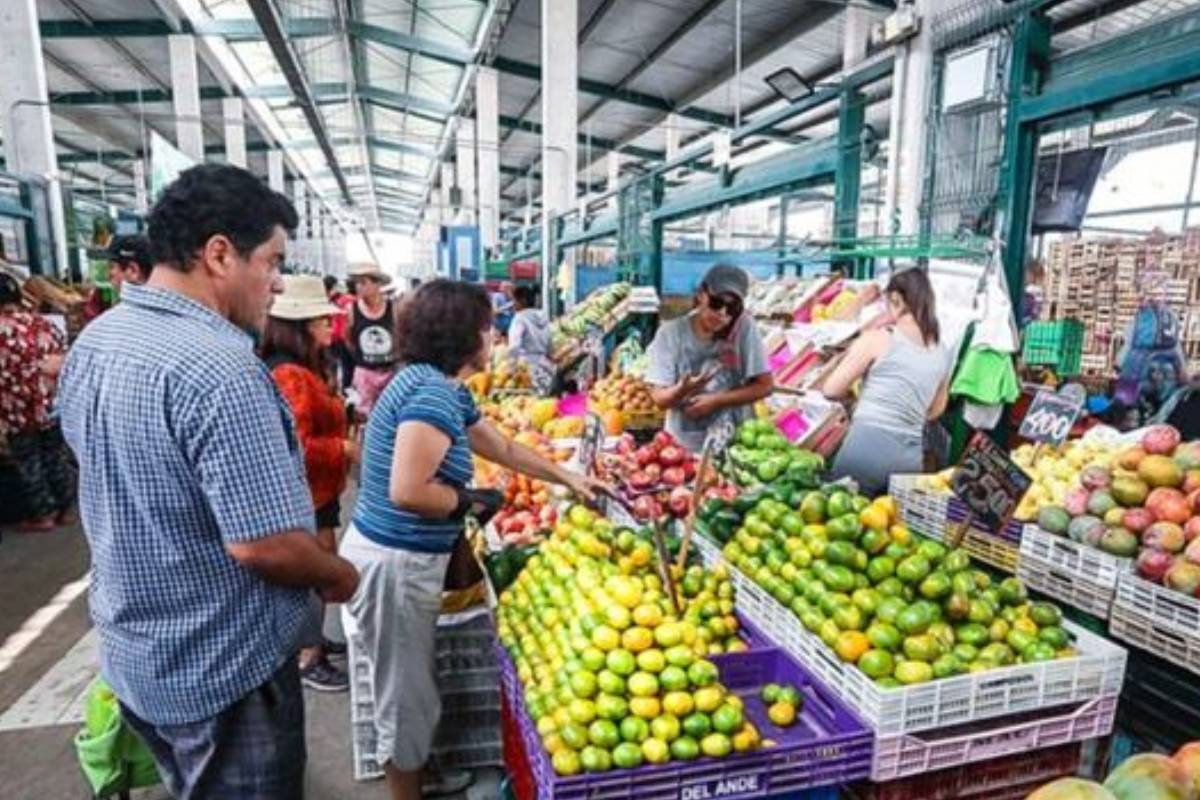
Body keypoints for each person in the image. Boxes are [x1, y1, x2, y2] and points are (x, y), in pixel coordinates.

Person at [57, 163, 360, 798]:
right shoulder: (222, 369)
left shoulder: (97, 341)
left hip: (137, 654)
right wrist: (338, 574)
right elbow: (263, 544)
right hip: (224, 668)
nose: (276, 283)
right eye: (272, 262)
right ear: (220, 254)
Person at [341, 279, 605, 800]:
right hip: (395, 562)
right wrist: (468, 501)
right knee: (405, 698)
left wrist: (568, 477)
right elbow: (408, 490)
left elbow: (500, 446)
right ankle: (406, 791)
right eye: (488, 328)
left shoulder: (436, 386)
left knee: (412, 685)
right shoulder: (431, 394)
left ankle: (421, 773)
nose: (495, 337)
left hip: (398, 556)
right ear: (464, 335)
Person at [261, 275, 358, 693]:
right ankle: (308, 657)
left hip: (318, 490)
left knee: (321, 563)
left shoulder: (306, 367)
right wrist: (342, 448)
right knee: (315, 569)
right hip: (305, 493)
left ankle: (314, 640)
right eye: (321, 321)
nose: (329, 326)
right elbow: (296, 445)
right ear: (300, 326)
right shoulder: (290, 375)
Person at [822, 267, 950, 496]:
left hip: (866, 449)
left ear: (896, 299)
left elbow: (831, 389)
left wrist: (854, 400)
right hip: (909, 459)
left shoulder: (878, 339)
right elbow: (936, 410)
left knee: (843, 513)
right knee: (889, 518)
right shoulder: (941, 351)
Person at [645, 264, 774, 452]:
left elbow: (765, 385)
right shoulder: (671, 334)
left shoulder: (744, 327)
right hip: (684, 452)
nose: (722, 313)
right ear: (701, 295)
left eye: (732, 308)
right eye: (716, 303)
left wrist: (717, 400)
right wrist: (682, 389)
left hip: (738, 448)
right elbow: (659, 398)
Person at [0, 272, 72, 531]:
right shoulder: (44, 324)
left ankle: (45, 514)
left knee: (29, 461)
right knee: (55, 455)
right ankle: (65, 510)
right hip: (51, 403)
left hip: (17, 408)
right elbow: (63, 357)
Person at [345, 261, 399, 416]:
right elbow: (348, 339)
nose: (358, 287)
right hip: (365, 372)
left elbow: (400, 335)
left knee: (390, 413)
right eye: (357, 283)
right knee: (363, 414)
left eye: (363, 282)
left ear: (377, 284)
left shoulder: (393, 308)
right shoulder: (352, 310)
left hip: (389, 372)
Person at [506, 284, 554, 392]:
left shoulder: (520, 318)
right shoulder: (543, 317)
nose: (513, 305)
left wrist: (511, 367)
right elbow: (550, 344)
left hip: (527, 368)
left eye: (515, 301)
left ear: (522, 301)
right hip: (545, 366)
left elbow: (514, 345)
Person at [325, 274, 357, 390]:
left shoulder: (336, 301)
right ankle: (347, 389)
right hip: (346, 338)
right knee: (349, 366)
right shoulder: (352, 301)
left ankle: (341, 388)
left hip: (335, 337)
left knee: (339, 366)